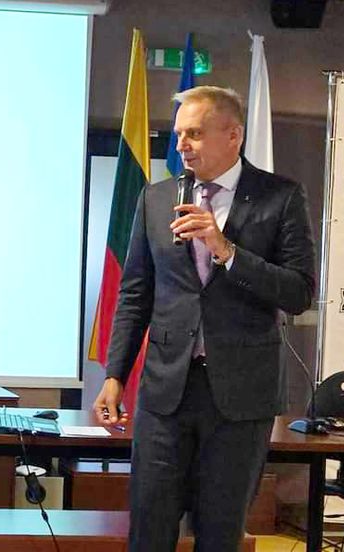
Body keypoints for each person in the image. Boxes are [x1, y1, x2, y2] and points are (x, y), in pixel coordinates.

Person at [93, 86, 316, 552]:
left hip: (241, 396)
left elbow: (299, 293)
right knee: (149, 530)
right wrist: (115, 375)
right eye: (178, 135)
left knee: (219, 534)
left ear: (233, 135)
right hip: (166, 392)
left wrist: (227, 251)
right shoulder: (156, 199)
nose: (181, 146)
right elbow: (135, 294)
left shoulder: (280, 197)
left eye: (194, 134)